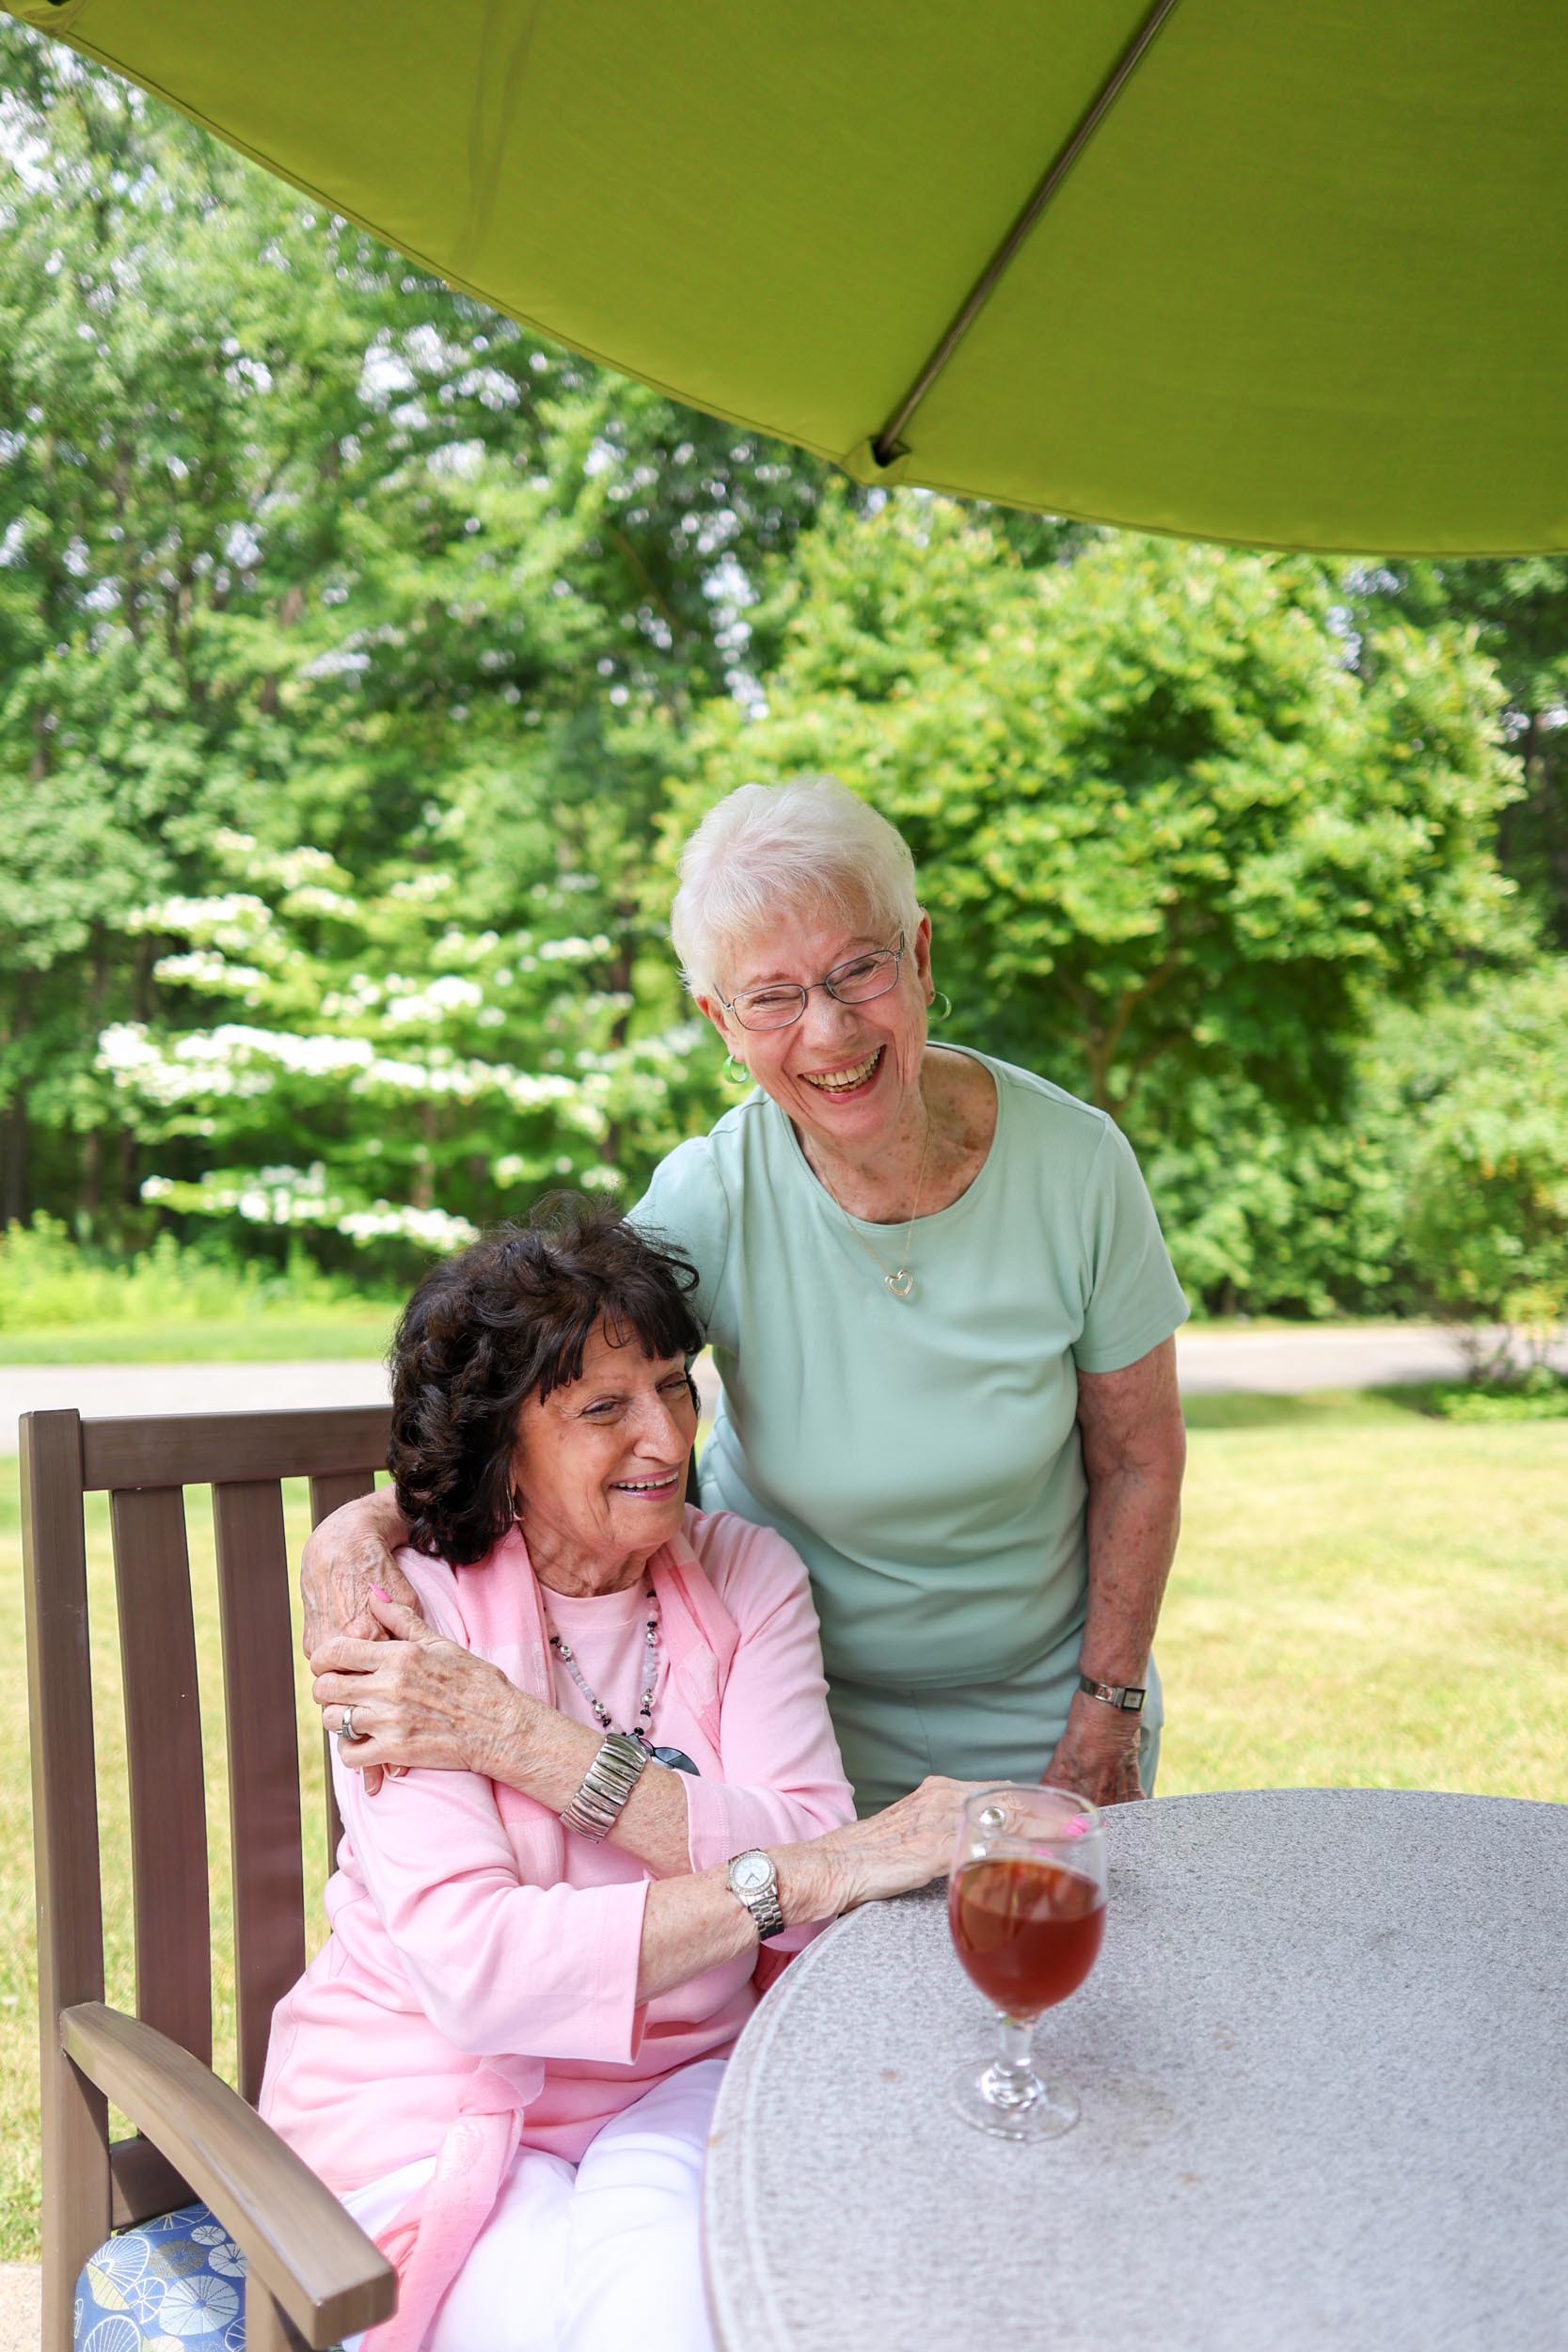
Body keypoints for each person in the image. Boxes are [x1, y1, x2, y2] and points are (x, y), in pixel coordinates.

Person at [301, 775, 1188, 1817]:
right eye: (771, 998)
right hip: (774, 1708)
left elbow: (1137, 1457)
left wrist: (1103, 1709)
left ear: (920, 955)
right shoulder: (709, 1196)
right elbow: (540, 1407)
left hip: (1048, 1705)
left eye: (857, 969)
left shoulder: (1075, 1164)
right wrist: (359, 1529)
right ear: (720, 1020)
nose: (827, 1032)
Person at [267, 1201, 965, 2352]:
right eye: (603, 1407)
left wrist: (519, 1740)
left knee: (676, 2313)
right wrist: (788, 1875)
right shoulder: (401, 1618)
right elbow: (480, 1972)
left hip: (677, 2077)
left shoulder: (747, 1576)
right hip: (424, 2097)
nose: (667, 1437)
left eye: (675, 1385)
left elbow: (805, 1833)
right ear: (504, 1447)